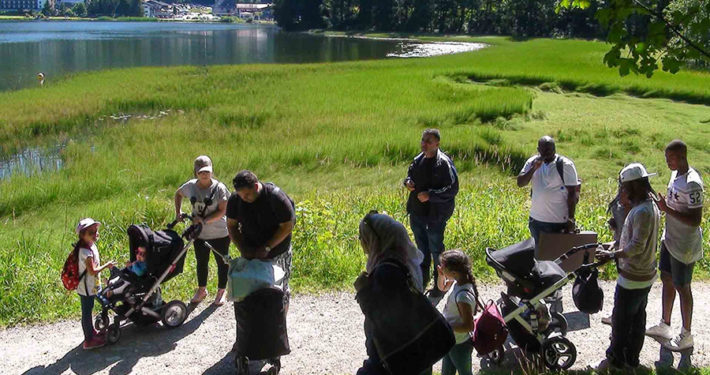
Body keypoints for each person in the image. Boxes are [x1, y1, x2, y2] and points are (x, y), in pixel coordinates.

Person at [593, 163, 660, 370]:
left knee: (621, 322)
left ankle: (614, 360)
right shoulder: (649, 206)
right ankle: (632, 359)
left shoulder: (642, 211)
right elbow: (634, 239)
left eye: (625, 187)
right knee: (637, 320)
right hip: (644, 274)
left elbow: (637, 247)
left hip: (633, 277)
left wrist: (611, 255)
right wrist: (613, 245)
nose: (622, 191)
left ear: (636, 186)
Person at [646, 140, 704, 352]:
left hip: (684, 244)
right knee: (667, 279)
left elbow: (695, 219)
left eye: (670, 158)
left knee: (683, 286)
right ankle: (665, 324)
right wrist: (665, 206)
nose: (667, 161)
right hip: (669, 238)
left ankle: (686, 334)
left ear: (682, 156)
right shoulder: (675, 175)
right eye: (666, 157)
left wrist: (666, 209)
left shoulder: (693, 183)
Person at [355, 212, 425, 375]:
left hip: (391, 357)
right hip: (409, 353)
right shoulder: (405, 261)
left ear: (378, 238)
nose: (361, 240)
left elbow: (382, 319)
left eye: (363, 236)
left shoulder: (386, 272)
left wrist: (363, 291)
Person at [226, 170, 296, 306]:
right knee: (253, 289)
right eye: (240, 195)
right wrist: (243, 248)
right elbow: (231, 225)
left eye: (247, 194)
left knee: (279, 290)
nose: (244, 198)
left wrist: (267, 247)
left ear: (256, 186)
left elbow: (288, 226)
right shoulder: (236, 200)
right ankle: (256, 322)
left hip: (278, 251)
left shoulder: (275, 197)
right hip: (251, 253)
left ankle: (280, 321)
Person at [404, 128, 459, 298]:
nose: (424, 144)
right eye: (423, 140)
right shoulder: (417, 160)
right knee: (422, 250)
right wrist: (407, 182)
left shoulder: (444, 163)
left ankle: (439, 286)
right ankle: (422, 281)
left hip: (436, 215)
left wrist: (431, 195)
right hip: (417, 213)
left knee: (436, 250)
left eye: (428, 141)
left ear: (437, 144)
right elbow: (409, 176)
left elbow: (452, 188)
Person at [175, 155, 231, 306]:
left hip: (220, 233)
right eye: (201, 172)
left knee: (222, 262)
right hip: (199, 234)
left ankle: (221, 291)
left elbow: (222, 210)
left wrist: (204, 221)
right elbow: (178, 194)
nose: (204, 174)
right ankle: (202, 290)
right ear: (195, 173)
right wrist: (178, 212)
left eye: (207, 171)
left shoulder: (219, 188)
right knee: (201, 261)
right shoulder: (190, 186)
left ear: (212, 171)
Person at [517, 136, 579, 244]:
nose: (546, 152)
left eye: (549, 149)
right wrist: (534, 168)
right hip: (536, 220)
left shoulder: (565, 165)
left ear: (554, 149)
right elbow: (521, 183)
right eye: (543, 150)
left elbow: (572, 193)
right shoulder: (532, 162)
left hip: (558, 222)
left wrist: (571, 219)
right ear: (538, 150)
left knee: (556, 257)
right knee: (538, 257)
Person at [74, 218, 115, 350]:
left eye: (96, 231)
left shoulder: (90, 245)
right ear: (82, 235)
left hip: (91, 285)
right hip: (86, 288)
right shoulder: (85, 252)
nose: (95, 234)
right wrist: (107, 266)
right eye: (91, 232)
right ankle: (89, 340)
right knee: (86, 312)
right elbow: (92, 271)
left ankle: (91, 333)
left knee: (89, 309)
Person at [437, 250, 478, 375]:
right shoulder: (457, 280)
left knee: (465, 373)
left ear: (453, 272)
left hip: (460, 344)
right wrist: (441, 275)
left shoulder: (463, 296)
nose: (440, 268)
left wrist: (445, 327)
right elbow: (441, 287)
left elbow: (469, 326)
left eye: (443, 267)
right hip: (451, 340)